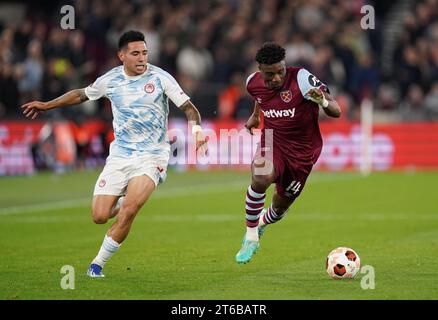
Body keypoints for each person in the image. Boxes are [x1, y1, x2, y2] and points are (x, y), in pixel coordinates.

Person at [22, 30, 208, 277]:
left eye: (145, 53)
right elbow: (81, 94)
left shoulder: (161, 78)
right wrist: (47, 105)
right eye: (135, 54)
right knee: (99, 216)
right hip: (120, 156)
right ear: (121, 56)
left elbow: (189, 108)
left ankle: (97, 264)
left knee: (130, 210)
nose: (142, 58)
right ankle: (120, 201)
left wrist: (196, 131)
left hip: (152, 156)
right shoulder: (110, 80)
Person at [235, 42, 341, 264]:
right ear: (260, 70)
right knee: (261, 176)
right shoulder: (252, 83)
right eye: (269, 74)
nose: (276, 78)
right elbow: (260, 98)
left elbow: (336, 110)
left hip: (303, 152)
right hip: (272, 141)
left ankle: (263, 222)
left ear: (285, 66)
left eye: (280, 71)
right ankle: (251, 236)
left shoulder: (302, 79)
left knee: (280, 208)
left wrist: (321, 100)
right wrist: (256, 116)